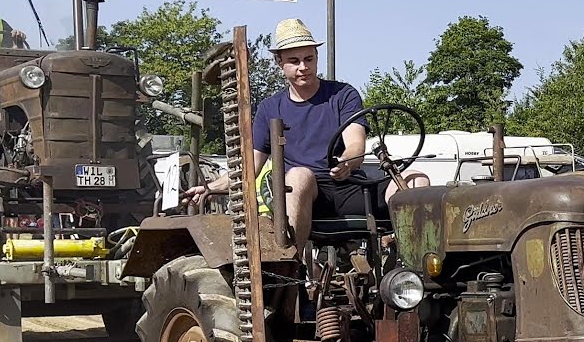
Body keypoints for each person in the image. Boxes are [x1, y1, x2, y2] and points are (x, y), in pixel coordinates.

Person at [183, 18, 428, 248]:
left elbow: (356, 145)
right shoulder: (270, 108)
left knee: (418, 179)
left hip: (349, 187)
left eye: (309, 59)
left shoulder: (343, 95)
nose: (303, 67)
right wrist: (211, 187)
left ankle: (410, 271)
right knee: (300, 175)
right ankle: (295, 270)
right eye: (294, 61)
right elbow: (250, 167)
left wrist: (347, 163)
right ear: (279, 63)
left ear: (317, 57)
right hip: (304, 193)